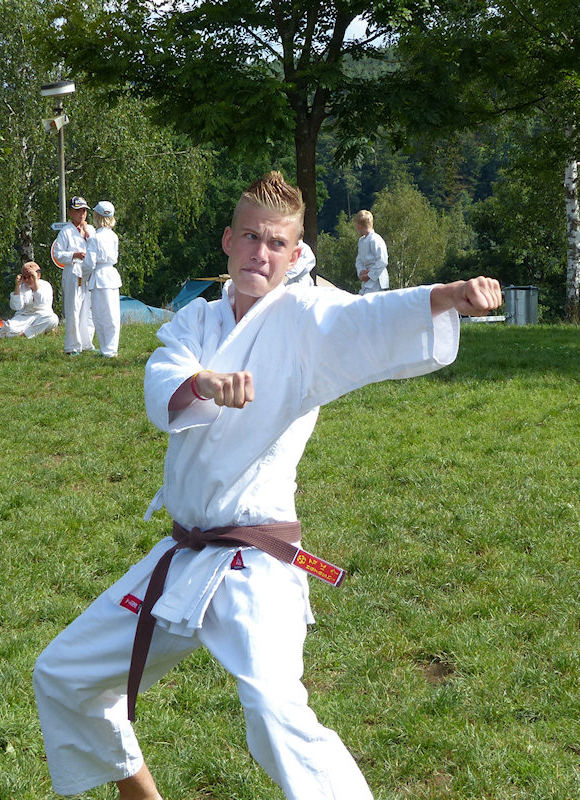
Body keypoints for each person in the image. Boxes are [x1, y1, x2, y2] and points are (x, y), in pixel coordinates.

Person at [34, 172, 502, 800]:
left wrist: (447, 295)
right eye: (250, 237)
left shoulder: (304, 317)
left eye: (276, 243)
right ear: (229, 241)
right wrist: (202, 383)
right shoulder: (196, 320)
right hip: (184, 555)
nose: (261, 252)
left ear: (295, 253)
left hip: (256, 560)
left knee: (272, 707)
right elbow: (164, 374)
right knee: (64, 672)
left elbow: (367, 317)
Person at [53, 195, 96, 355]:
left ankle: (87, 343)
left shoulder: (91, 230)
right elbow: (58, 254)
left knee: (88, 309)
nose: (81, 214)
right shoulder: (66, 232)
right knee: (73, 309)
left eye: (84, 211)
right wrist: (74, 255)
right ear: (70, 212)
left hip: (88, 272)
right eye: (78, 211)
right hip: (73, 271)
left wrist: (88, 236)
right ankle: (72, 346)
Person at [83, 200, 121, 358]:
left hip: (99, 276)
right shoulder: (114, 236)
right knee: (112, 314)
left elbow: (89, 263)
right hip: (111, 275)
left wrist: (84, 277)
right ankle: (111, 348)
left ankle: (107, 349)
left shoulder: (95, 238)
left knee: (100, 315)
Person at [0, 261, 58, 339]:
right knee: (9, 326)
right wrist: (17, 286)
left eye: (30, 276)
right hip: (24, 316)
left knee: (52, 319)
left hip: (42, 316)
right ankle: (26, 333)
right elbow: (16, 307)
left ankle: (25, 334)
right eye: (25, 277)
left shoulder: (46, 285)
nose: (27, 280)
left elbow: (41, 303)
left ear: (38, 275)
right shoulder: (22, 287)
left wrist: (35, 284)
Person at [354, 209, 389, 294]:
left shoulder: (375, 239)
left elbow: (383, 260)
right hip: (366, 279)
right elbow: (359, 260)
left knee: (371, 299)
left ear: (359, 226)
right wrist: (361, 272)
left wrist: (370, 275)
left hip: (377, 279)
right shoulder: (361, 241)